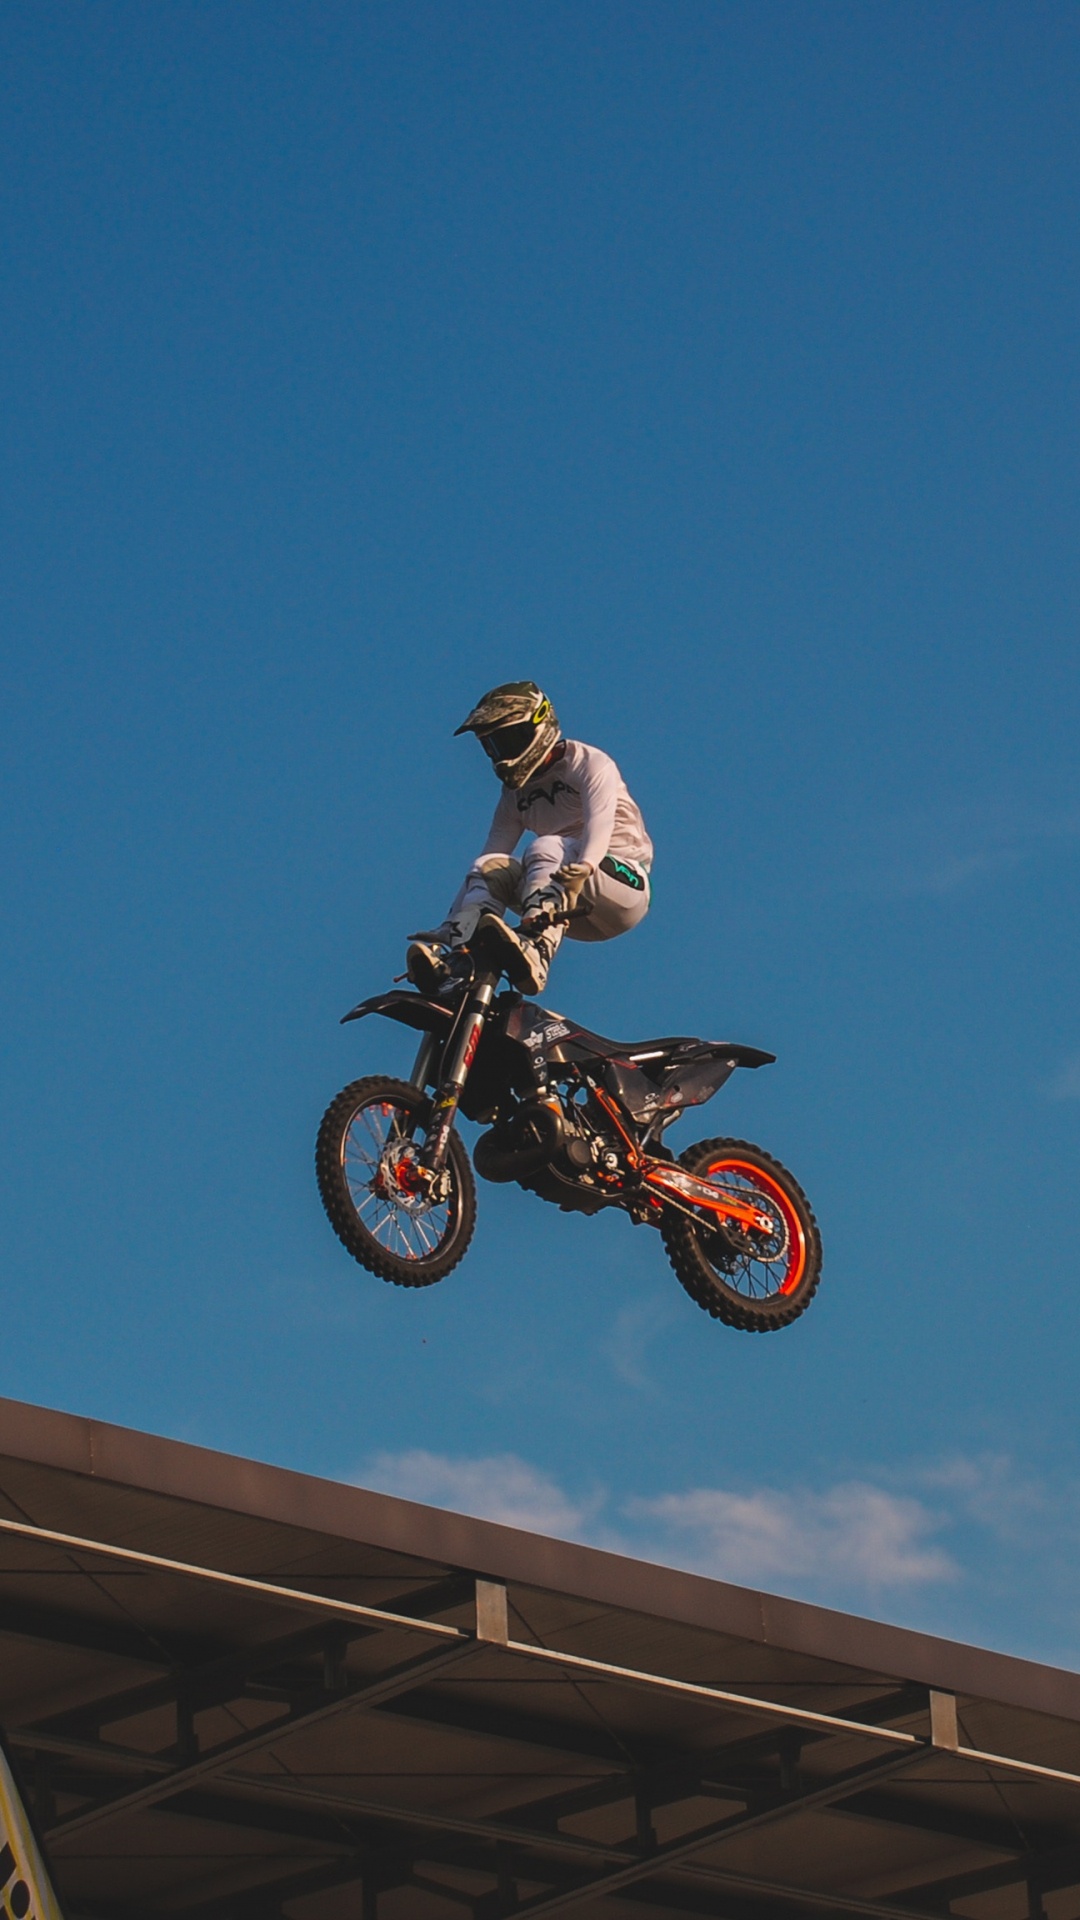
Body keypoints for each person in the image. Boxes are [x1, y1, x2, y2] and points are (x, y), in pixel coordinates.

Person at [408, 682, 653, 996]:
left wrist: (587, 865)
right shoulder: (514, 795)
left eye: (509, 740)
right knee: (492, 866)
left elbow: (600, 818)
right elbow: (489, 856)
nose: (502, 754)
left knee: (546, 845)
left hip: (623, 885)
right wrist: (452, 921)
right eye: (493, 746)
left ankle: (537, 951)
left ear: (539, 726)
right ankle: (461, 959)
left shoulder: (588, 763)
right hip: (566, 903)